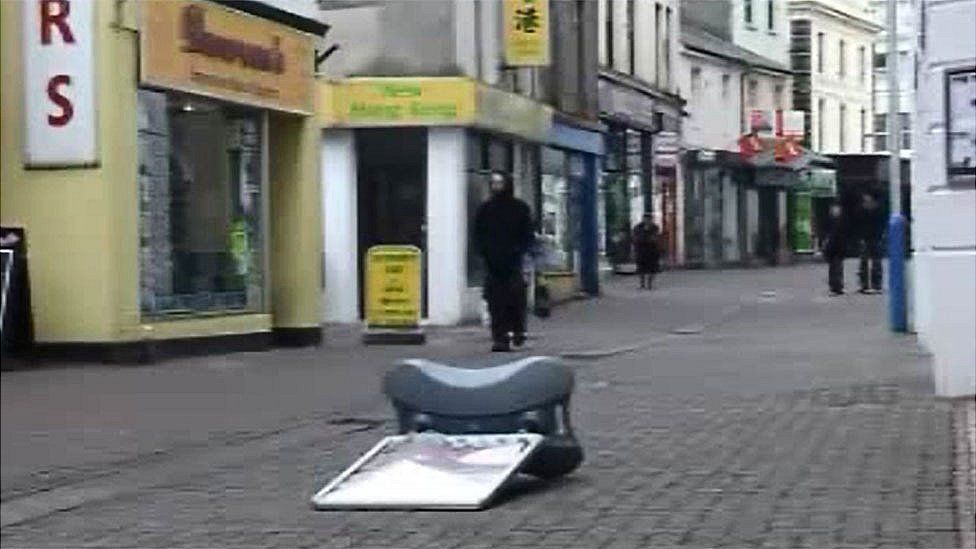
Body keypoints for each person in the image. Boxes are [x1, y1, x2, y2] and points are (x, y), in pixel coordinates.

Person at [474, 172, 535, 352]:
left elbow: (528, 234)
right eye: (494, 183)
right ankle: (499, 338)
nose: (496, 186)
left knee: (516, 299)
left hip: (514, 262)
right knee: (495, 302)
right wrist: (483, 254)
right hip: (493, 264)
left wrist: (521, 251)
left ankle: (518, 331)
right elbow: (478, 234)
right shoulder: (485, 209)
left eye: (500, 183)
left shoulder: (520, 208)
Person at [858, 193, 884, 294]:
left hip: (872, 237)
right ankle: (874, 284)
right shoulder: (877, 209)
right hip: (872, 237)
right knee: (872, 260)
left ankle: (868, 284)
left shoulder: (863, 210)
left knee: (870, 260)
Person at [823, 201, 848, 295]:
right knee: (834, 267)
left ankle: (837, 286)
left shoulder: (841, 221)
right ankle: (835, 286)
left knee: (837, 267)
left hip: (838, 247)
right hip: (833, 248)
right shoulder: (833, 221)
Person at [633, 213, 661, 290]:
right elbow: (636, 238)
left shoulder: (655, 227)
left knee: (652, 268)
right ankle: (642, 284)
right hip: (641, 251)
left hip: (652, 251)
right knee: (641, 268)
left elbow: (655, 239)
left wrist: (646, 239)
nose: (647, 221)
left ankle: (650, 284)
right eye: (646, 219)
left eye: (649, 219)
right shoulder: (638, 227)